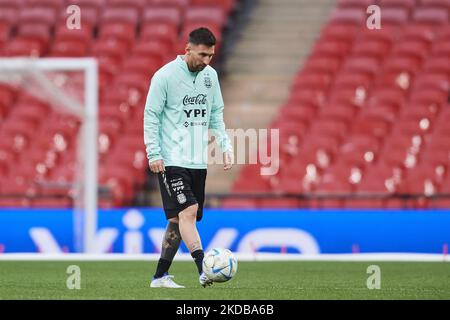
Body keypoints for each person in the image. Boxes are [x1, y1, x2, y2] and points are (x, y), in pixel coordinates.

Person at [143, 27, 234, 288]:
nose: (206, 61)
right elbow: (151, 116)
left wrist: (225, 146)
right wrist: (154, 152)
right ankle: (204, 268)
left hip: (197, 161)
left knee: (177, 221)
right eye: (203, 55)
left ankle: (160, 276)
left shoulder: (210, 76)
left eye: (211, 56)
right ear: (188, 49)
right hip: (171, 159)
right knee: (189, 212)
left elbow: (216, 113)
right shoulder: (165, 76)